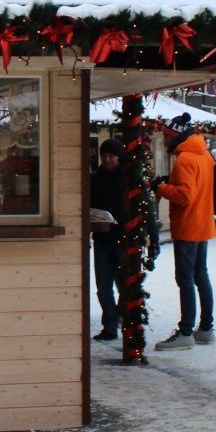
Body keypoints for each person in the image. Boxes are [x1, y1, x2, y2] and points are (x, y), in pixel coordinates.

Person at [154, 114, 216, 350]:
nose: (164, 140)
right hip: (203, 223)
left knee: (185, 279)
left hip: (188, 226)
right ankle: (206, 328)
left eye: (167, 135)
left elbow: (184, 195)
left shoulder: (184, 160)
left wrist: (160, 187)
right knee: (201, 275)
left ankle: (185, 332)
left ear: (176, 135)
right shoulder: (205, 156)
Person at [88, 139, 128, 343]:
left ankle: (120, 317)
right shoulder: (94, 179)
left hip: (123, 238)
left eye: (111, 156)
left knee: (124, 284)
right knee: (103, 286)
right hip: (102, 236)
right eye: (104, 156)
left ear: (119, 157)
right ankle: (110, 325)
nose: (107, 159)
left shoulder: (128, 179)